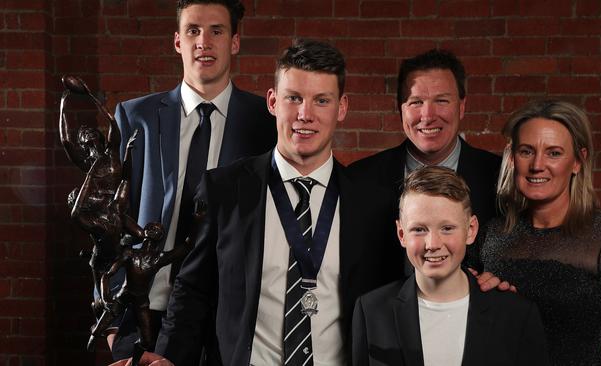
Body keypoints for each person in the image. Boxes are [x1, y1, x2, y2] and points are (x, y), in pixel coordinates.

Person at [111, 39, 405, 366]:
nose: (305, 115)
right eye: (294, 98)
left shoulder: (372, 203)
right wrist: (168, 359)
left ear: (342, 107)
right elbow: (193, 292)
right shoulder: (225, 190)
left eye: (322, 100)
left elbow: (398, 298)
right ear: (273, 101)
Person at [107, 0, 277, 359]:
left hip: (227, 317)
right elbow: (109, 220)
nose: (204, 41)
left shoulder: (265, 123)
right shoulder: (134, 117)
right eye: (193, 31)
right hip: (144, 313)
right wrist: (111, 321)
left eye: (217, 31)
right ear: (177, 41)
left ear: (234, 42)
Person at [481, 99, 601, 365]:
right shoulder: (490, 234)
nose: (537, 165)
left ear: (577, 162)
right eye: (527, 151)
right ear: (513, 158)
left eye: (554, 153)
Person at [352, 166, 550, 366]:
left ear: (471, 230)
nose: (433, 244)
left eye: (447, 228)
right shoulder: (371, 311)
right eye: (419, 229)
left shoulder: (516, 315)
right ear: (402, 234)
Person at [347, 49, 502, 258]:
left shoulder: (499, 178)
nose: (427, 116)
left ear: (462, 107)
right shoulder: (358, 180)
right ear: (401, 109)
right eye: (416, 102)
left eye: (442, 101)